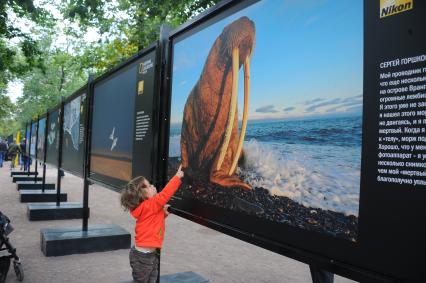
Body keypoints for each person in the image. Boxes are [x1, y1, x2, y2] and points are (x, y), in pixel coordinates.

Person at [121, 165, 184, 283]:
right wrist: (177, 177)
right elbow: (165, 194)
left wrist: (163, 213)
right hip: (143, 257)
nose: (153, 186)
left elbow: (152, 221)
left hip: (149, 254)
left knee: (152, 279)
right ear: (143, 195)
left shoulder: (146, 207)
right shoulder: (150, 205)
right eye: (150, 186)